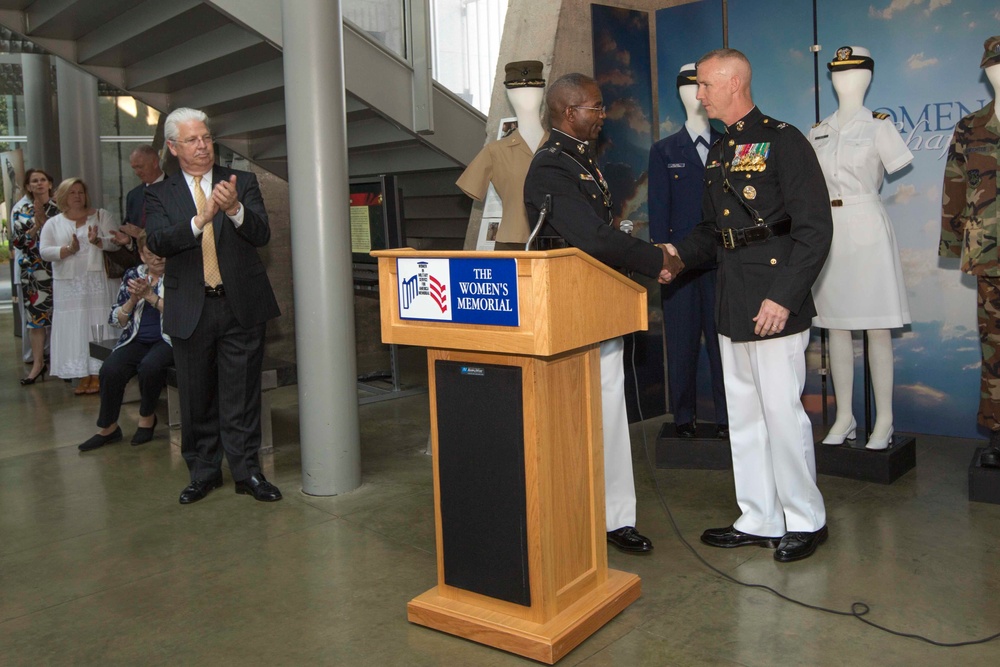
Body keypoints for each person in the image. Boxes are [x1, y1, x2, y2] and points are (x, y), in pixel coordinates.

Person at [661, 49, 833, 562]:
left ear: (733, 83)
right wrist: (673, 258)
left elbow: (815, 230)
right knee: (744, 415)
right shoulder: (720, 150)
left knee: (782, 414)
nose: (699, 95)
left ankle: (806, 518)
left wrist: (785, 297)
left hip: (773, 297)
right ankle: (759, 515)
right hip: (732, 295)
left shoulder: (785, 140)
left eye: (706, 86)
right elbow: (713, 230)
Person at [524, 72, 676, 554]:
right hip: (570, 309)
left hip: (597, 304)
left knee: (609, 412)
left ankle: (615, 517)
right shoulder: (551, 167)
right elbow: (589, 238)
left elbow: (599, 233)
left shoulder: (581, 160)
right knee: (576, 419)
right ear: (569, 112)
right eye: (595, 107)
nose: (602, 114)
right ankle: (578, 515)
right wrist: (656, 259)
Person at [145, 107, 282, 504]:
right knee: (196, 395)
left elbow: (261, 234)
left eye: (206, 137)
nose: (203, 145)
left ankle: (248, 472)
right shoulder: (159, 193)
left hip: (240, 305)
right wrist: (199, 219)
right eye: (192, 140)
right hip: (191, 307)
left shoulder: (241, 182)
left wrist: (235, 209)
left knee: (242, 394)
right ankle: (203, 472)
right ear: (173, 147)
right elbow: (157, 241)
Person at [810, 46, 913, 451]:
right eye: (837, 73)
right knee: (834, 325)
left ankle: (884, 418)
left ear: (867, 77)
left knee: (877, 325)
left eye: (851, 73)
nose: (843, 80)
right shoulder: (817, 130)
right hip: (829, 229)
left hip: (867, 225)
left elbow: (892, 165)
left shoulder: (879, 127)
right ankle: (845, 416)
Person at [648, 64, 728, 439]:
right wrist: (663, 259)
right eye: (686, 86)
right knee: (680, 343)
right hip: (680, 264)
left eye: (699, 85)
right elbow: (658, 209)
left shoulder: (728, 143)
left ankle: (729, 419)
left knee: (723, 344)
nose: (694, 94)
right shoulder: (665, 150)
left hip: (722, 261)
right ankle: (684, 419)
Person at [940, 36, 1000, 469]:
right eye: (994, 68)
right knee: (994, 348)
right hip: (990, 256)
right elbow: (954, 187)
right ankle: (998, 433)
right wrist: (951, 242)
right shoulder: (970, 127)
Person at [78, 232, 173, 451]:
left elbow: (181, 315)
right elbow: (116, 320)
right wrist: (132, 300)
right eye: (150, 254)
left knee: (150, 366)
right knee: (111, 369)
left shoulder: (177, 275)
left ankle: (147, 418)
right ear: (141, 255)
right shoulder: (133, 275)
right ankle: (108, 427)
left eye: (161, 253)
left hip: (167, 339)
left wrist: (151, 297)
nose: (158, 259)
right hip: (135, 338)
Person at [38, 178, 122, 395]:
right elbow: (44, 251)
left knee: (98, 323)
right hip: (69, 284)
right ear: (64, 197)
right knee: (76, 326)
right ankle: (82, 374)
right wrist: (66, 249)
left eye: (81, 192)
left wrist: (99, 241)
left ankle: (98, 373)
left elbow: (116, 242)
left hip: (98, 282)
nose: (77, 196)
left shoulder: (102, 215)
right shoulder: (53, 223)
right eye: (73, 192)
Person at [457, 60, 549, 250]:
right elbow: (471, 187)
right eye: (517, 91)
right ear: (509, 94)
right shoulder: (494, 152)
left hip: (557, 243)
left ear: (542, 93)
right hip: (512, 243)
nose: (526, 97)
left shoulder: (560, 148)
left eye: (533, 90)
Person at [11, 169, 58, 385]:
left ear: (50, 184)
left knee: (59, 318)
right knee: (36, 322)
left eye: (43, 180)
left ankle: (59, 363)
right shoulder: (21, 210)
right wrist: (35, 227)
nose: (39, 184)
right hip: (33, 273)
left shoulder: (61, 208)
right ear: (28, 187)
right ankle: (38, 365)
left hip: (59, 270)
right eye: (34, 181)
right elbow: (18, 243)